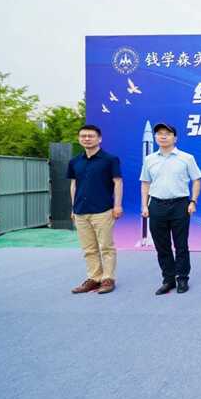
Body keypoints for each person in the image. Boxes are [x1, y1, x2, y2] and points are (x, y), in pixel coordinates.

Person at [140, 123, 201, 295]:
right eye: (159, 133)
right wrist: (144, 205)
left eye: (167, 133)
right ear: (155, 138)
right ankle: (168, 280)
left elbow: (197, 179)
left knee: (181, 244)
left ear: (175, 138)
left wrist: (193, 201)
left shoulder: (186, 158)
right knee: (162, 246)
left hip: (180, 205)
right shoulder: (149, 159)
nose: (163, 136)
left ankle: (182, 278)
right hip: (156, 204)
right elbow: (145, 182)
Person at [68, 124, 123, 295]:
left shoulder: (110, 159)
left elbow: (118, 182)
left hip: (103, 210)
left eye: (90, 136)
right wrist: (73, 208)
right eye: (83, 136)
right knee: (89, 249)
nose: (86, 139)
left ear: (99, 139)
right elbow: (73, 185)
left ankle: (108, 278)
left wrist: (117, 205)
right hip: (80, 211)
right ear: (79, 139)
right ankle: (94, 278)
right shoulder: (74, 162)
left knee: (106, 247)